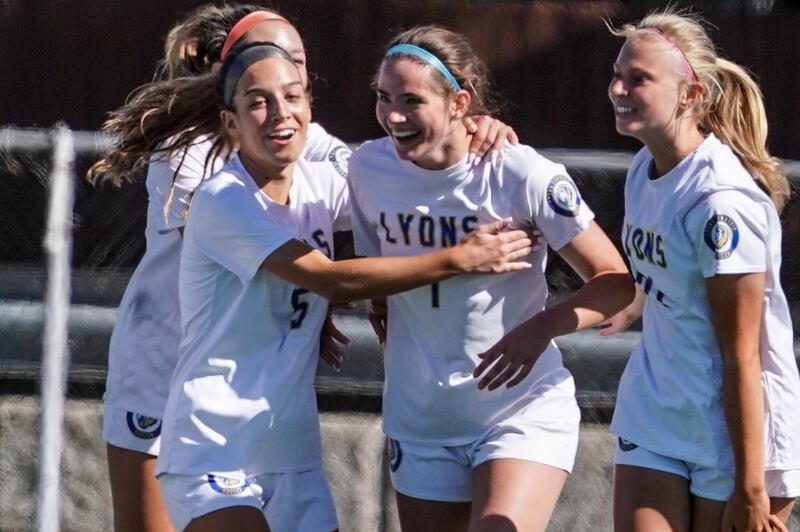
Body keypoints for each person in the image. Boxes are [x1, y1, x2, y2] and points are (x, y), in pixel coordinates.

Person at [88, 5, 517, 530]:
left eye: (295, 70)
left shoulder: (306, 149)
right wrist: (443, 263)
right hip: (173, 381)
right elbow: (306, 270)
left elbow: (396, 183)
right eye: (263, 74)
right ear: (231, 90)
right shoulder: (200, 165)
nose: (281, 90)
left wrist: (463, 128)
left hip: (283, 438)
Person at [347, 25, 634, 532]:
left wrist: (539, 329)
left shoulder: (517, 171)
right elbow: (374, 282)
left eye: (412, 100)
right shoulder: (366, 168)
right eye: (383, 97)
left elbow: (614, 281)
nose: (393, 115)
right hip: (423, 417)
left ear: (459, 103)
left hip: (518, 410)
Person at [605, 10, 800, 531]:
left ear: (690, 95)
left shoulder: (720, 203)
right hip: (658, 411)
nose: (618, 88)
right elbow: (662, 278)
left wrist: (751, 486)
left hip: (734, 435)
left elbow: (741, 355)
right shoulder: (642, 170)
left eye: (638, 78)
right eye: (618, 73)